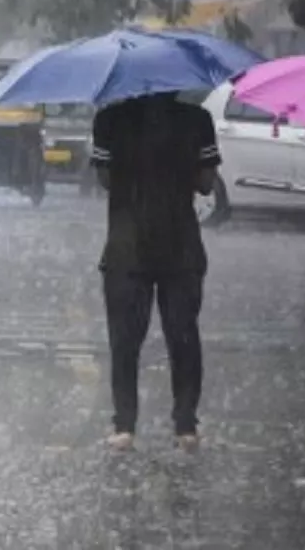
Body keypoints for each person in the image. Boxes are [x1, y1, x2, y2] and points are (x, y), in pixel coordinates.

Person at [90, 91, 220, 452]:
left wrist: (137, 170)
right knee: (183, 338)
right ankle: (185, 427)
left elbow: (106, 180)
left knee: (125, 341)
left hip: (127, 246)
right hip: (181, 245)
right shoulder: (198, 120)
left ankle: (124, 426)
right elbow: (206, 183)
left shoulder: (109, 119)